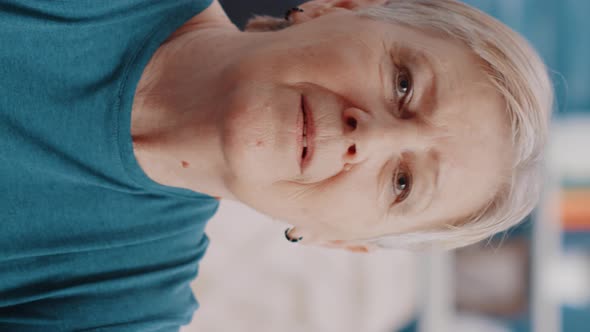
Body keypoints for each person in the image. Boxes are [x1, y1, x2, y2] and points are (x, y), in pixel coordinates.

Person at [0, 0, 553, 330]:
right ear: (340, 8)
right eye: (404, 84)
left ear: (341, 241)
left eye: (403, 183)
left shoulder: (112, 309)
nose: (373, 135)